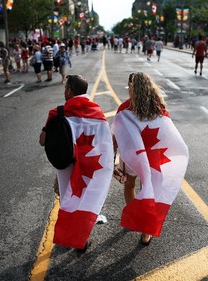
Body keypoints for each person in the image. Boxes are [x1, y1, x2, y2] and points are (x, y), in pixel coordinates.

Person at [111, 72, 189, 246]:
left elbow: (117, 134)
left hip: (132, 156)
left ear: (132, 88)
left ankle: (135, 219)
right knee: (151, 190)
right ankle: (146, 232)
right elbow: (168, 132)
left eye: (129, 87)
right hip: (154, 156)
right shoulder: (159, 107)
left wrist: (112, 156)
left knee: (129, 184)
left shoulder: (124, 108)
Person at [39, 74, 113, 252]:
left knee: (68, 197)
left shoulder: (57, 113)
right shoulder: (97, 112)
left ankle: (70, 236)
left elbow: (42, 141)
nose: (64, 92)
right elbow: (105, 143)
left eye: (65, 88)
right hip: (91, 165)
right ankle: (82, 237)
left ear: (70, 91)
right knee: (86, 199)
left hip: (67, 165)